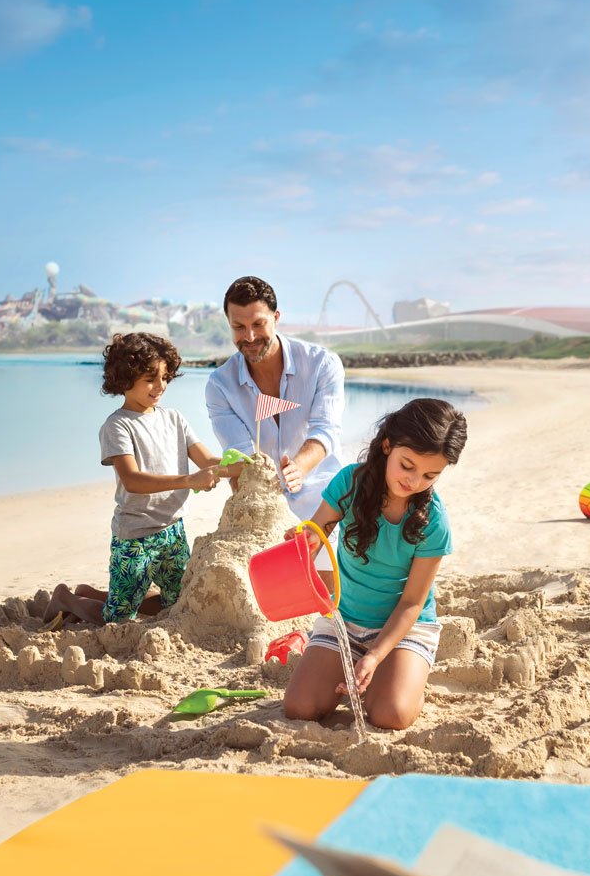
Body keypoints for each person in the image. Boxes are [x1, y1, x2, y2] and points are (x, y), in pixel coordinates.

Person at [281, 397, 468, 731]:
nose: (414, 482)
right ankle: (368, 670)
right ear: (387, 445)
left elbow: (412, 604)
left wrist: (375, 655)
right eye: (407, 465)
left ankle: (406, 682)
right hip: (346, 619)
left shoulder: (433, 522)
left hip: (403, 629)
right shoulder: (350, 482)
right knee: (299, 707)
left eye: (430, 475)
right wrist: (302, 541)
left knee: (390, 714)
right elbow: (316, 532)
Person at [54, 332, 234, 626]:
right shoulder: (117, 425)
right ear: (125, 378)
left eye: (165, 377)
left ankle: (93, 593)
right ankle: (67, 599)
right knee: (119, 619)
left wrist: (242, 465)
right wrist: (189, 480)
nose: (160, 386)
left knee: (177, 602)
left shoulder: (174, 418)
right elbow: (133, 481)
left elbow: (208, 461)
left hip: (173, 532)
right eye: (150, 378)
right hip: (135, 535)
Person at [204, 275, 345, 521]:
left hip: (326, 501)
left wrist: (298, 467)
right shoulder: (220, 385)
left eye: (258, 324)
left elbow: (326, 430)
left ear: (276, 318)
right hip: (268, 508)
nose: (249, 337)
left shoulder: (322, 363)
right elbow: (240, 455)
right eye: (238, 327)